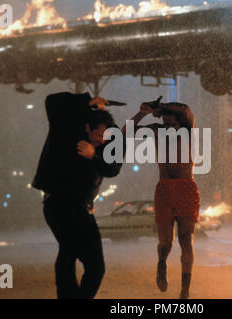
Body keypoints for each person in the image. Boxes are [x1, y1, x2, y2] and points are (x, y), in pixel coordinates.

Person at [32, 91, 122, 299]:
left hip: (81, 207)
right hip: (58, 203)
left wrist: (94, 156)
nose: (101, 141)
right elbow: (52, 101)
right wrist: (87, 100)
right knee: (70, 252)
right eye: (99, 135)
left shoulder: (103, 148)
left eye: (106, 138)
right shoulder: (65, 132)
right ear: (87, 127)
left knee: (92, 265)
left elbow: (113, 169)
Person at [124, 100, 200, 299]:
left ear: (180, 124)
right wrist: (142, 113)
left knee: (186, 239)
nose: (169, 129)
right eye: (165, 124)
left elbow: (186, 109)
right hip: (165, 189)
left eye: (173, 124)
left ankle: (185, 291)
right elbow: (123, 134)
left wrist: (160, 107)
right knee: (166, 242)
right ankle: (161, 264)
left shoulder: (188, 131)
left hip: (186, 189)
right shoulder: (157, 131)